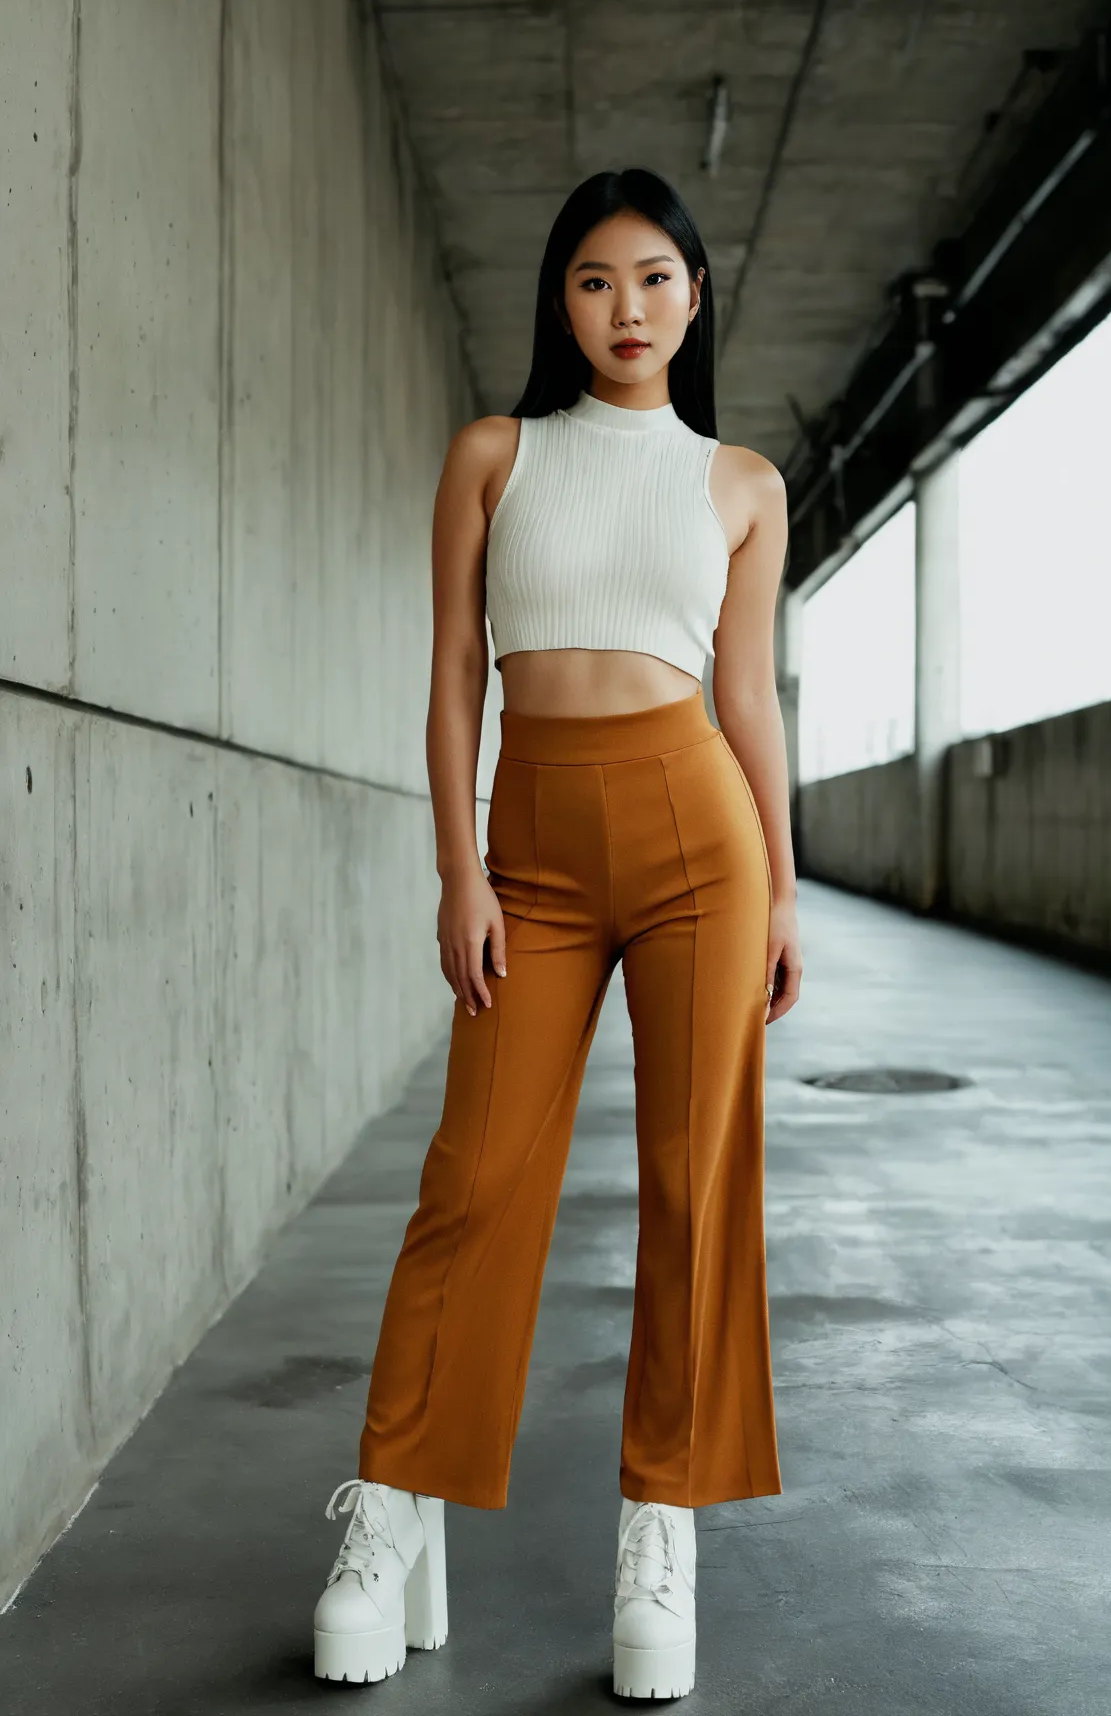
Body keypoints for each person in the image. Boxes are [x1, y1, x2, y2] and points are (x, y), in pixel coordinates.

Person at [311, 166, 802, 1698]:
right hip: (527, 844)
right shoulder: (493, 454)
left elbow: (747, 700)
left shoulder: (741, 484)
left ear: (695, 296)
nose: (628, 308)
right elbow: (459, 668)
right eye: (596, 281)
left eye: (656, 278)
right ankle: (393, 1507)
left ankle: (662, 1528)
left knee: (692, 1185)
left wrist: (785, 884)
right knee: (476, 1180)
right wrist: (457, 868)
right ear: (559, 301)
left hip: (697, 832)